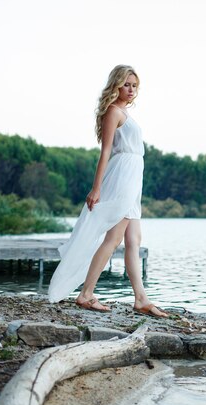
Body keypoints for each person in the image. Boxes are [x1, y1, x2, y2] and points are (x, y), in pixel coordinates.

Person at [48, 65, 167, 318]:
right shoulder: (113, 112)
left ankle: (141, 299)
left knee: (134, 240)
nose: (131, 89)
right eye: (127, 84)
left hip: (134, 177)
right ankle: (86, 294)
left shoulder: (125, 112)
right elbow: (105, 152)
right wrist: (96, 188)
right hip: (123, 176)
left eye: (135, 85)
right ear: (116, 85)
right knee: (113, 239)